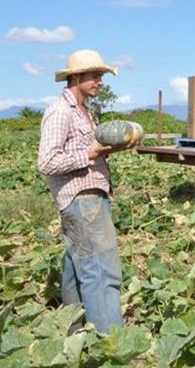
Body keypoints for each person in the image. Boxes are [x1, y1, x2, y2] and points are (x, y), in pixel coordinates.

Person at [38, 49, 134, 334]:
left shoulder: (84, 112)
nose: (100, 82)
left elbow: (87, 151)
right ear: (75, 77)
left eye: (101, 76)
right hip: (82, 201)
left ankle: (74, 331)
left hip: (90, 198)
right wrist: (91, 153)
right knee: (102, 272)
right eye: (95, 76)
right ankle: (109, 344)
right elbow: (47, 162)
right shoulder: (60, 112)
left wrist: (107, 150)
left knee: (76, 267)